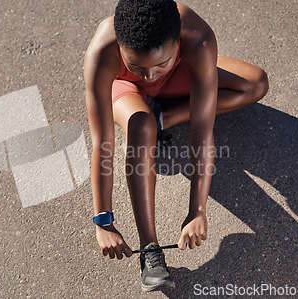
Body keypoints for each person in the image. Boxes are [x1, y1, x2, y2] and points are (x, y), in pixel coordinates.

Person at [83, 0, 269, 292]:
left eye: (160, 63)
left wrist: (198, 210)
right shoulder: (102, 51)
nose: (149, 75)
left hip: (177, 79)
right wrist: (103, 221)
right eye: (137, 65)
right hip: (125, 88)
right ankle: (150, 250)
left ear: (177, 40)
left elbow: (202, 132)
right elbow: (103, 145)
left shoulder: (198, 37)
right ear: (120, 45)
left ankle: (164, 116)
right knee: (141, 126)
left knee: (256, 83)